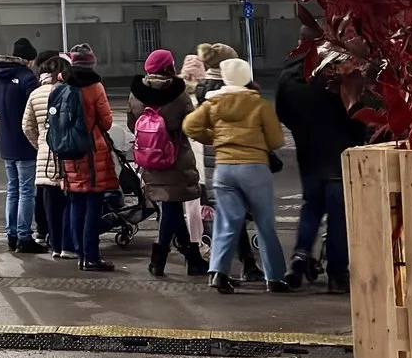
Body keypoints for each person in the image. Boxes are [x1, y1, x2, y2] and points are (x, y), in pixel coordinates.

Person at [182, 57, 295, 294]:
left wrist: (216, 139)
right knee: (264, 224)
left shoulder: (214, 103)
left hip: (224, 169)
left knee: (226, 223)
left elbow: (190, 126)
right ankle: (274, 277)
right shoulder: (258, 104)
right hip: (254, 168)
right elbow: (276, 140)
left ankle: (218, 273)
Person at [279, 63, 367, 293]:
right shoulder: (340, 77)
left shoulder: (290, 78)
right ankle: (337, 275)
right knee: (339, 219)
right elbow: (358, 114)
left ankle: (300, 255)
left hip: (309, 155)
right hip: (340, 154)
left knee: (311, 206)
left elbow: (283, 113)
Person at [130, 49, 204, 276]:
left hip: (149, 156)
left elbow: (133, 123)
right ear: (168, 67)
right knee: (172, 207)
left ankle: (193, 258)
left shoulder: (136, 94)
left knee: (172, 206)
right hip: (175, 157)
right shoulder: (179, 94)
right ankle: (158, 258)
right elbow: (190, 124)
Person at [52, 53, 120, 271]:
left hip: (68, 152)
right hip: (92, 153)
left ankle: (79, 253)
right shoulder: (95, 87)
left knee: (75, 203)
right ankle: (91, 256)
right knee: (93, 204)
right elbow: (106, 122)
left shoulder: (60, 86)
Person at [0, 38, 44, 254]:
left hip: (6, 142)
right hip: (25, 143)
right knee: (27, 191)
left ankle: (11, 234)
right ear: (29, 60)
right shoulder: (27, 78)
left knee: (12, 189)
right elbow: (35, 110)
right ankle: (24, 236)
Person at [20, 51, 72, 257]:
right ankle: (67, 245)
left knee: (50, 203)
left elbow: (27, 126)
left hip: (44, 154)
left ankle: (54, 245)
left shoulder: (36, 94)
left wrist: (40, 143)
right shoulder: (67, 91)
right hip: (66, 153)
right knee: (69, 202)